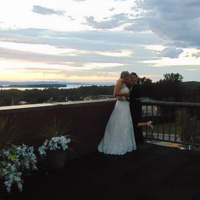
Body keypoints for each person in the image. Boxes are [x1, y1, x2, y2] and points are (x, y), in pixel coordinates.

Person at [98, 71, 136, 155]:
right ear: (123, 77)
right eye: (126, 78)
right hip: (121, 106)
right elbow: (115, 93)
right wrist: (126, 94)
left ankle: (125, 144)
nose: (127, 80)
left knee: (125, 124)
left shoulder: (124, 83)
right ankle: (118, 144)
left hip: (125, 105)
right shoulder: (119, 82)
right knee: (120, 123)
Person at [128, 72, 153, 144]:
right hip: (133, 106)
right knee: (135, 123)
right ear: (129, 79)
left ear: (136, 79)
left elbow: (132, 97)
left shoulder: (136, 87)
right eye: (131, 78)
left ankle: (147, 124)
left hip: (136, 106)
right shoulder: (131, 87)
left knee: (135, 123)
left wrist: (126, 98)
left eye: (134, 78)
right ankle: (138, 140)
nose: (132, 79)